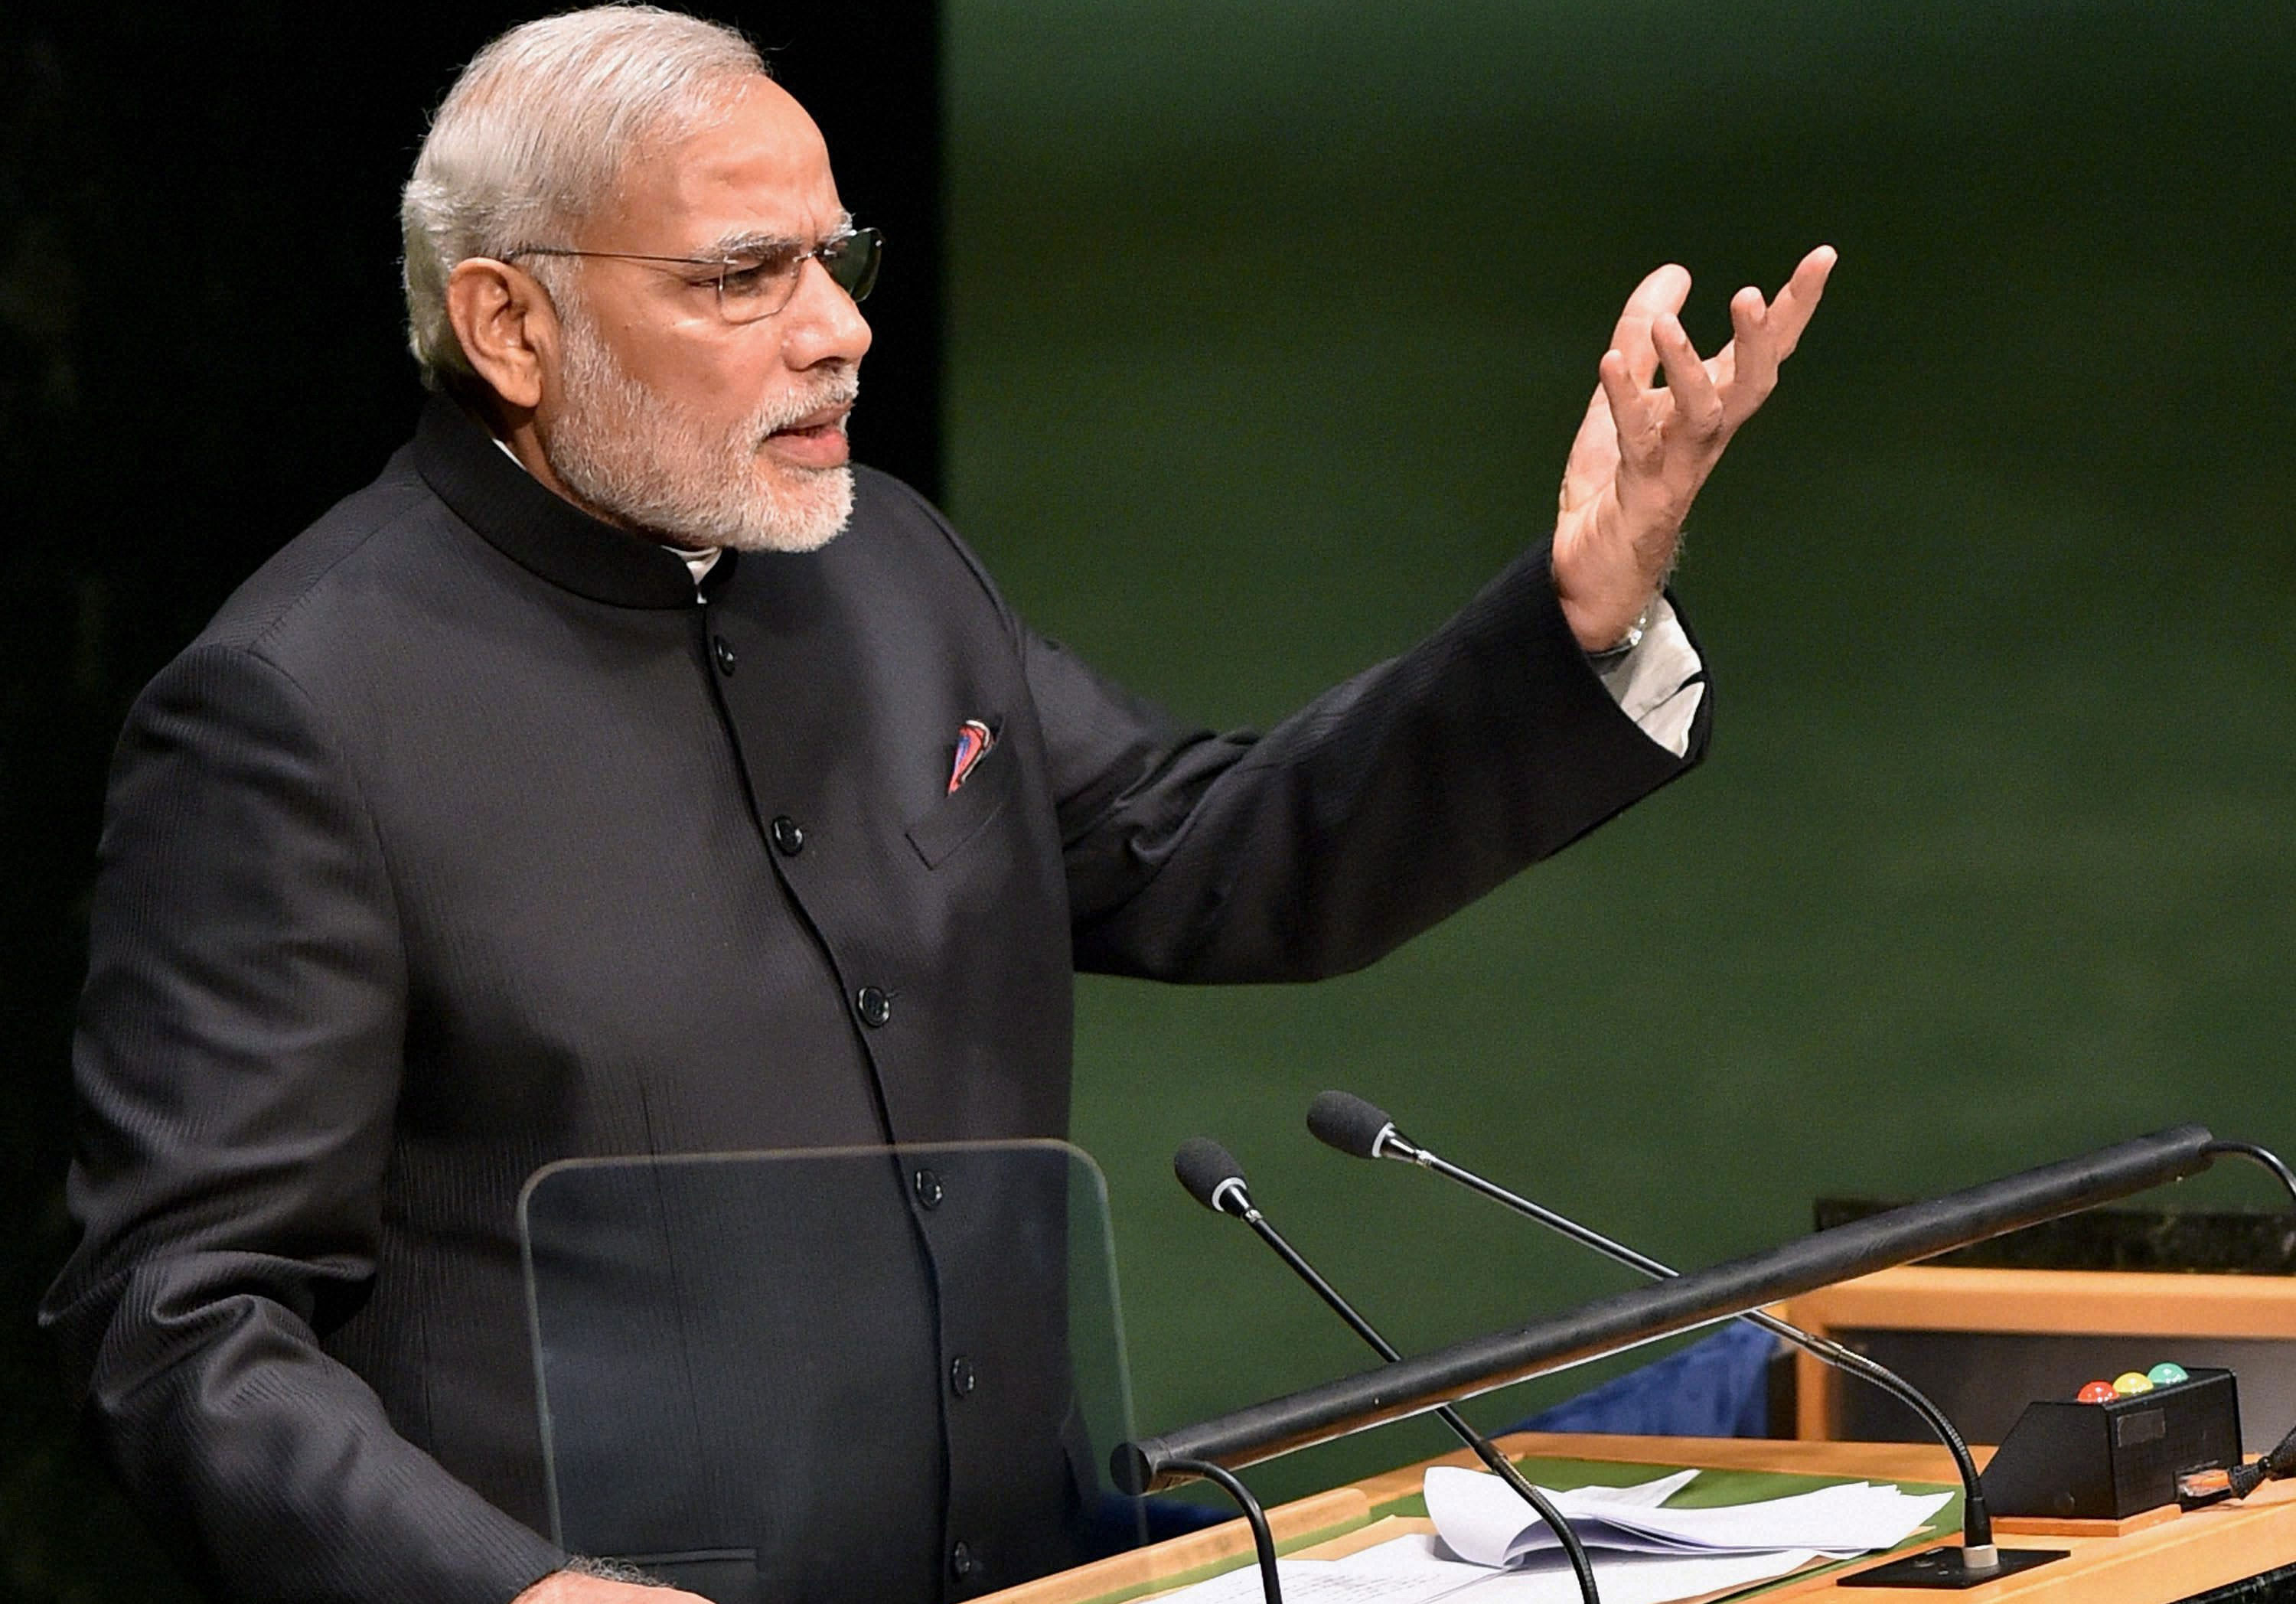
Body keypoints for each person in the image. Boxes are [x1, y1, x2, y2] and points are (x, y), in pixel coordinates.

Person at [40, 8, 1833, 1604]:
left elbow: (1216, 855)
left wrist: (1571, 620)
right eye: (745, 278)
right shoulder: (294, 714)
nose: (840, 331)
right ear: (512, 324)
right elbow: (181, 1321)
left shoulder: (885, 564)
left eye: (840, 257)